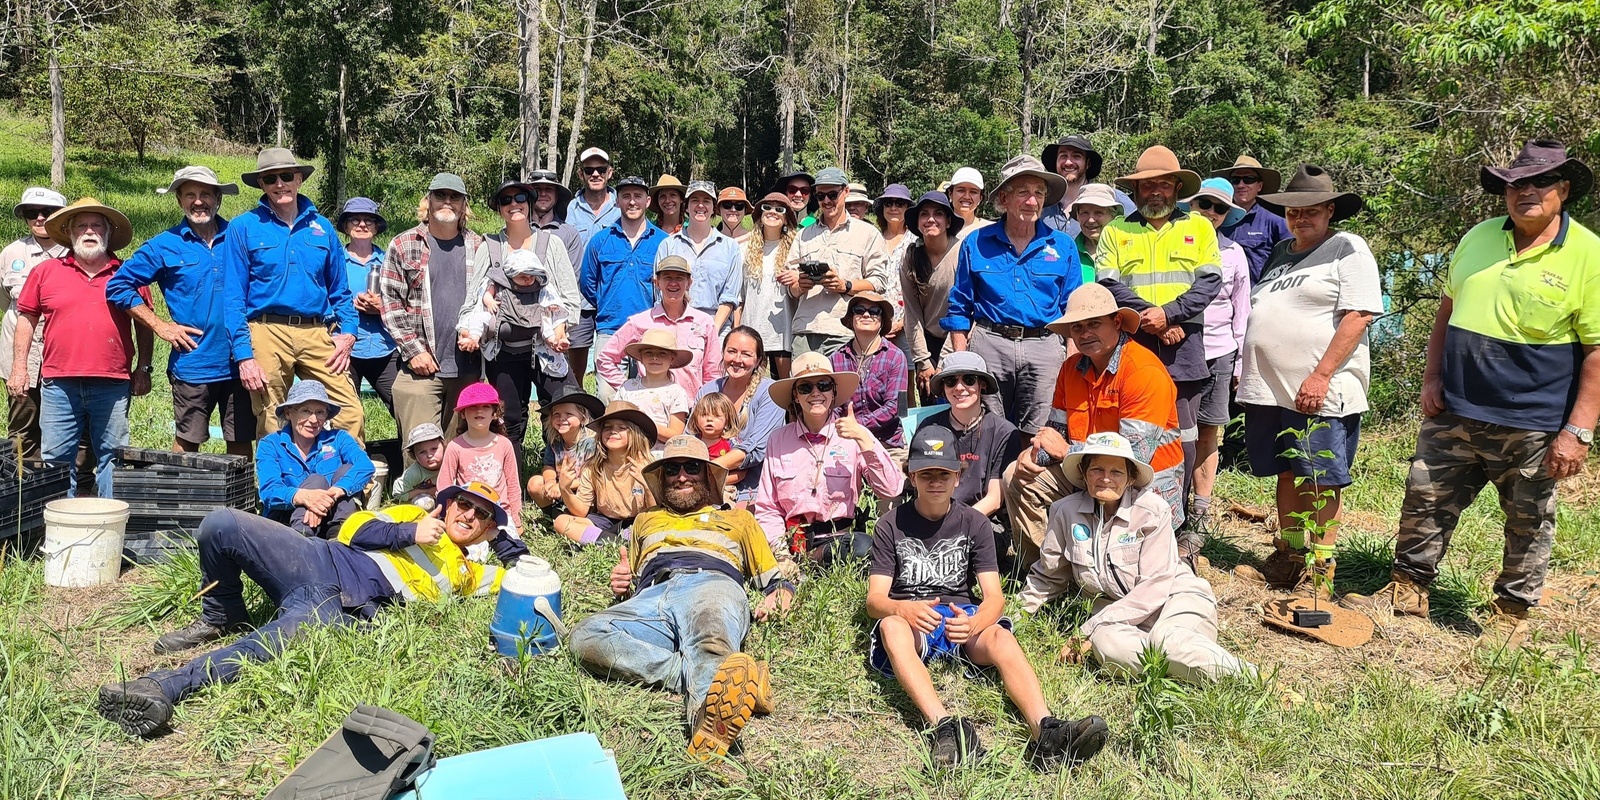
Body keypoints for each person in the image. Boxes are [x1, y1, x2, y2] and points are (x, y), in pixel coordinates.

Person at [1345, 140, 1599, 646]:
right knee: (1425, 500)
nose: (1525, 192)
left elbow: (1596, 351)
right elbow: (1446, 310)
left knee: (1528, 518)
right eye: (1515, 183)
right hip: (1454, 407)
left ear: (1563, 189)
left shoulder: (1589, 256)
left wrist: (1579, 430)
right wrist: (1431, 378)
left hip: (1532, 419)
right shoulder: (1479, 237)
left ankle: (1512, 613)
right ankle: (1409, 588)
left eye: (1540, 182)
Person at [95, 482, 525, 737]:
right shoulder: (414, 513)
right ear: (449, 503)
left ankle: (162, 687)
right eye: (464, 504)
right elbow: (356, 527)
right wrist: (411, 530)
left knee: (276, 641)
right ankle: (221, 613)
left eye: (481, 514)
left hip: (339, 602)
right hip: (318, 557)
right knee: (222, 524)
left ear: (486, 527)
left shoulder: (468, 573)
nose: (467, 515)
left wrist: (504, 540)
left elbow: (522, 573)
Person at [868, 424, 1110, 769]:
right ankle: (945, 728)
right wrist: (901, 608)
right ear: (911, 477)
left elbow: (994, 597)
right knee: (891, 626)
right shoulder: (890, 524)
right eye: (925, 474)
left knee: (999, 634)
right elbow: (875, 600)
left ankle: (1047, 730)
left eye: (944, 474)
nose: (935, 482)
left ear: (957, 477)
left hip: (961, 615)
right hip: (913, 621)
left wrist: (975, 622)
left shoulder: (975, 523)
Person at [569, 436, 794, 759]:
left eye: (691, 468)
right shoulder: (645, 520)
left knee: (710, 643)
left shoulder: (738, 520)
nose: (682, 476)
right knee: (585, 636)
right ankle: (703, 677)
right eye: (672, 469)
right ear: (662, 479)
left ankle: (706, 718)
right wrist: (622, 583)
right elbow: (631, 577)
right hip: (651, 594)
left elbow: (776, 579)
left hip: (711, 583)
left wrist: (779, 597)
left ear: (707, 476)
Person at [1230, 165, 1382, 599]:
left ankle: (1320, 565)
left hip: (1319, 391)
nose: (1301, 218)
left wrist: (1320, 375)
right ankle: (1290, 554)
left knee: (1320, 476)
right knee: (1286, 471)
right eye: (1294, 212)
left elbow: (1360, 315)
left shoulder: (1347, 248)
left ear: (1330, 210)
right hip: (1273, 390)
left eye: (1311, 211)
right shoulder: (1281, 252)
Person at [1020, 432, 1254, 684]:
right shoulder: (1064, 511)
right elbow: (1048, 575)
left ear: (1131, 478)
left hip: (1174, 600)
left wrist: (1086, 630)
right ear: (1083, 472)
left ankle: (1248, 678)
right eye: (1096, 469)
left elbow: (1154, 587)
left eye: (1117, 472)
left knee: (1168, 640)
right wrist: (1017, 617)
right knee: (1106, 645)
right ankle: (1183, 670)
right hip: (1116, 616)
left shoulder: (1152, 510)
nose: (1106, 478)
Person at [1004, 284, 1184, 571]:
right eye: (1077, 327)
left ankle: (1097, 571)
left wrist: (1065, 452)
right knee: (1017, 474)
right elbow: (1055, 432)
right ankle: (1043, 573)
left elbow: (1134, 459)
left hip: (1141, 485)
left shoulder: (1143, 371)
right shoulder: (1071, 368)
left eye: (1094, 324)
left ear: (1115, 322)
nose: (1085, 333)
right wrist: (1034, 452)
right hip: (1087, 470)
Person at [1097, 145, 1223, 557]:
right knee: (1131, 432)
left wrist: (1169, 316)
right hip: (1132, 343)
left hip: (1183, 344)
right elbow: (1108, 285)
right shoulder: (1117, 230)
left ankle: (1178, 523)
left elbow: (1208, 284)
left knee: (1181, 437)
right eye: (1147, 184)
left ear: (1175, 187)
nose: (1155, 191)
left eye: (1163, 184)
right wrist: (1148, 318)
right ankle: (1126, 520)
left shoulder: (1201, 228)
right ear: (1136, 189)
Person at [107, 167, 255, 458]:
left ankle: (241, 502)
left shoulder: (240, 237)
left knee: (240, 441)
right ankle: (183, 499)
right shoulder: (164, 245)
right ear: (179, 201)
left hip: (242, 360)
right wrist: (161, 325)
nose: (198, 202)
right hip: (193, 363)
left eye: (205, 194)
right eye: (190, 195)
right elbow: (118, 286)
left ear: (218, 199)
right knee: (188, 441)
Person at [10, 198, 153, 498]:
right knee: (58, 461)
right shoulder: (46, 272)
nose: (89, 231)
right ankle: (62, 534)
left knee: (113, 459)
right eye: (82, 226)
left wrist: (144, 368)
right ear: (71, 233)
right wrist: (19, 368)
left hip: (113, 384)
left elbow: (145, 324)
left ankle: (110, 529)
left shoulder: (128, 274)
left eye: (96, 225)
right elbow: (26, 320)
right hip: (59, 384)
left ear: (108, 233)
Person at [223, 148, 364, 440]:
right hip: (265, 330)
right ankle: (278, 485)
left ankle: (348, 484)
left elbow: (340, 290)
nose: (279, 184)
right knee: (272, 415)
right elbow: (234, 296)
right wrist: (244, 356)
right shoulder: (243, 227)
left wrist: (348, 333)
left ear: (299, 179)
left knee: (349, 410)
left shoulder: (322, 228)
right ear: (261, 184)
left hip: (316, 330)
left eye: (286, 176)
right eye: (270, 178)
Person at [942, 154, 1082, 435]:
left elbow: (1074, 309)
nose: (1032, 201)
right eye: (1023, 193)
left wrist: (1071, 357)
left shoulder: (1063, 245)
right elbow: (959, 306)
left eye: (1039, 193)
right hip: (989, 344)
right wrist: (962, 362)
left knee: (1042, 432)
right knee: (985, 428)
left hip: (1044, 345)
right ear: (1004, 199)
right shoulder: (976, 242)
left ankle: (1029, 480)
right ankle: (989, 480)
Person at [462, 177, 583, 457]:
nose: (513, 205)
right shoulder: (489, 246)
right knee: (510, 420)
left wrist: (560, 331)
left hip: (545, 347)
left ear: (529, 204)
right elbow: (472, 299)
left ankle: (568, 475)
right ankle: (513, 491)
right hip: (503, 351)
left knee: (570, 406)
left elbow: (568, 297)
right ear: (498, 208)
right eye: (506, 200)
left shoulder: (551, 244)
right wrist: (469, 330)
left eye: (519, 199)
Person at [754, 352, 905, 566]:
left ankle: (813, 563)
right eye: (806, 388)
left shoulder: (854, 435)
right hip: (791, 542)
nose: (816, 393)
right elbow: (768, 506)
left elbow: (892, 489)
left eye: (823, 385)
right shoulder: (778, 439)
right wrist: (781, 554)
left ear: (834, 391)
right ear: (796, 395)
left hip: (840, 542)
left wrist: (863, 438)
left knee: (865, 548)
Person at [380, 173, 485, 462]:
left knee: (459, 453)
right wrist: (414, 351)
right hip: (421, 368)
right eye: (440, 196)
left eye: (455, 197)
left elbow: (490, 300)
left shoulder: (481, 246)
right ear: (428, 201)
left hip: (470, 369)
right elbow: (390, 304)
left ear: (464, 205)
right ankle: (416, 502)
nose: (447, 202)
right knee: (422, 452)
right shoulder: (403, 244)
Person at [1178, 178, 1250, 539]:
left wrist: (1239, 363)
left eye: (1219, 208)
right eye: (1204, 203)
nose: (1210, 212)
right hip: (1177, 350)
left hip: (1219, 352)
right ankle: (1171, 506)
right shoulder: (1175, 246)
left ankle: (1200, 510)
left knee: (1209, 431)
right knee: (1173, 432)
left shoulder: (1235, 254)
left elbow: (1242, 310)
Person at [581, 176, 667, 401]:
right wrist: (608, 304)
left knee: (650, 398)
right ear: (617, 201)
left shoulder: (664, 242)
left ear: (647, 201)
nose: (632, 201)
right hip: (610, 330)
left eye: (637, 196)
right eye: (626, 196)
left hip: (651, 331)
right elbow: (588, 284)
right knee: (609, 398)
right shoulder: (600, 240)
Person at [788, 167, 890, 357]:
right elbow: (791, 289)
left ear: (846, 192)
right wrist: (800, 285)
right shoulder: (803, 235)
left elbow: (879, 281)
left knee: (842, 386)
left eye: (833, 195)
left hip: (845, 329)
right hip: (806, 329)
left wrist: (845, 285)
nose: (826, 201)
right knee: (803, 385)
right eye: (821, 196)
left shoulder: (867, 233)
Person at [255, 380, 376, 538]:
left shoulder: (339, 438)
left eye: (320, 412)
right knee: (316, 481)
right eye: (305, 411)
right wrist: (306, 497)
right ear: (288, 413)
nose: (314, 420)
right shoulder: (270, 444)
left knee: (346, 471)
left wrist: (334, 492)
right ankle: (301, 540)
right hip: (286, 522)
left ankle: (340, 536)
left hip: (331, 516)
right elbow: (269, 491)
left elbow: (366, 466)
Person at [597, 255, 722, 400]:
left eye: (679, 278)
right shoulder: (640, 322)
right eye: (667, 278)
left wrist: (706, 402)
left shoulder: (704, 322)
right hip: (650, 409)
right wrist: (630, 390)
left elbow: (713, 371)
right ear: (657, 282)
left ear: (689, 283)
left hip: (692, 408)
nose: (673, 283)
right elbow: (605, 358)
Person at [1, 187, 66, 459]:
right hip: (21, 358)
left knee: (64, 430)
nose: (39, 218)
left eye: (48, 212)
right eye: (31, 213)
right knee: (22, 428)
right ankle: (21, 494)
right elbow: (7, 302)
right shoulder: (10, 253)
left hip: (62, 358)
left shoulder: (78, 253)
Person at [920, 351, 1023, 518]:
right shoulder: (929, 427)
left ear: (981, 384)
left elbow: (995, 499)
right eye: (951, 381)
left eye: (968, 380)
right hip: (933, 517)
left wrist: (958, 522)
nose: (959, 388)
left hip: (982, 519)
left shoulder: (1004, 432)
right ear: (944, 388)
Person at [697, 326, 786, 505]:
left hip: (753, 489)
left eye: (746, 354)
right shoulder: (707, 391)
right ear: (722, 353)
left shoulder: (770, 392)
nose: (737, 360)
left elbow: (756, 450)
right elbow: (690, 438)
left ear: (758, 360)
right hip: (700, 484)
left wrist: (703, 474)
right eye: (731, 351)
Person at [330, 197, 399, 424]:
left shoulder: (390, 260)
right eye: (355, 220)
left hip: (384, 347)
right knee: (345, 415)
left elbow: (406, 301)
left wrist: (381, 308)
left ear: (377, 227)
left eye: (368, 220)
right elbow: (321, 300)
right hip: (344, 348)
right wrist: (350, 308)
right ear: (346, 226)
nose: (362, 224)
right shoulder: (333, 260)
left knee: (403, 407)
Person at [553, 400, 656, 544]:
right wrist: (565, 489)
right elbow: (581, 511)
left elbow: (654, 513)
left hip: (638, 520)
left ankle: (600, 540)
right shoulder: (593, 466)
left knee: (653, 526)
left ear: (635, 433)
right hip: (604, 520)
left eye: (622, 427)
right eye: (608, 427)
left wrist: (647, 485)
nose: (613, 431)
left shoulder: (647, 465)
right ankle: (619, 542)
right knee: (561, 522)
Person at [899, 191, 964, 399]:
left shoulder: (962, 251)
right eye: (924, 214)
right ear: (917, 223)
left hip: (960, 337)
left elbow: (965, 307)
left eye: (938, 214)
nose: (931, 219)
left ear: (947, 221)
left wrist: (945, 359)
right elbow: (912, 312)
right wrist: (923, 360)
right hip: (927, 341)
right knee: (930, 406)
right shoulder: (911, 257)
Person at [655, 181, 743, 331]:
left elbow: (729, 296)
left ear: (713, 208)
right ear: (687, 206)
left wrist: (713, 329)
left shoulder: (730, 247)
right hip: (675, 324)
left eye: (706, 201)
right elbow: (659, 292)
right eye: (695, 200)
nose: (700, 206)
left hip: (717, 327)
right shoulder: (668, 245)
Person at [438, 382, 522, 537]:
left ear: (495, 413)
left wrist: (516, 521)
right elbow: (444, 486)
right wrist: (444, 517)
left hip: (501, 514)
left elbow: (513, 485)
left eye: (486, 407)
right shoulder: (455, 447)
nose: (479, 411)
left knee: (511, 550)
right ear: (463, 413)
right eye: (472, 407)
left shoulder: (504, 444)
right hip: (469, 514)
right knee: (474, 553)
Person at [566, 147, 622, 380]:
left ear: (610, 173)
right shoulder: (569, 208)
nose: (595, 174)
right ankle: (578, 410)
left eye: (601, 169)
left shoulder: (622, 205)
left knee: (611, 365)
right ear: (581, 174)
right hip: (580, 300)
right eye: (590, 170)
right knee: (575, 368)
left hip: (613, 298)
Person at [829, 291, 907, 451]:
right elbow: (833, 405)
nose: (866, 314)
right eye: (859, 310)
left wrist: (856, 425)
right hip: (846, 443)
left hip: (887, 443)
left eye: (874, 311)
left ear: (882, 320)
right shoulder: (835, 359)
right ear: (851, 318)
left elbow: (894, 406)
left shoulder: (896, 357)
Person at [741, 192, 799, 378]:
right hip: (751, 331)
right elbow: (739, 298)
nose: (772, 212)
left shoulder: (795, 250)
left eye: (779, 209)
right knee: (751, 391)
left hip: (783, 335)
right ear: (759, 215)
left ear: (786, 219)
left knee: (785, 392)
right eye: (767, 207)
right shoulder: (745, 250)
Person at [1213, 155, 1291, 284]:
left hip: (1259, 296)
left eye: (1248, 179)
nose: (1241, 185)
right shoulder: (1217, 216)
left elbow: (1290, 257)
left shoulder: (1275, 218)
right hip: (1222, 299)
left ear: (1259, 186)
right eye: (1235, 180)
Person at [1040, 135, 1134, 237]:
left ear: (1088, 163)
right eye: (1063, 156)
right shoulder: (1041, 202)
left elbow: (1140, 230)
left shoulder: (1113, 197)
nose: (1068, 162)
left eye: (1076, 156)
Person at [615, 327, 694, 446]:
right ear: (641, 358)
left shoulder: (676, 392)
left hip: (658, 456)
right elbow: (614, 417)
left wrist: (644, 422)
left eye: (662, 353)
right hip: (627, 451)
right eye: (649, 353)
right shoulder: (628, 387)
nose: (655, 357)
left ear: (672, 359)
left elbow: (676, 434)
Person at [526, 389, 603, 510]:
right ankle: (553, 514)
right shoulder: (555, 442)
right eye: (556, 414)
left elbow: (592, 477)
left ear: (583, 418)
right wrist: (550, 481)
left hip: (585, 491)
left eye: (569, 414)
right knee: (535, 483)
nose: (562, 418)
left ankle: (575, 516)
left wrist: (563, 486)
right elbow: (548, 465)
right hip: (561, 487)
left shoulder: (590, 443)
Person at [873, 184, 914, 346]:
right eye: (888, 203)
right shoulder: (873, 238)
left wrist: (902, 322)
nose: (893, 208)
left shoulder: (917, 241)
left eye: (900, 203)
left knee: (908, 370)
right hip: (873, 320)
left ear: (908, 208)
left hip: (908, 323)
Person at [690, 391, 745, 498]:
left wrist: (713, 482)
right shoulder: (692, 443)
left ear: (727, 420)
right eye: (704, 415)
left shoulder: (731, 444)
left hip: (723, 488)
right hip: (693, 486)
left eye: (716, 416)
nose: (709, 419)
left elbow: (741, 473)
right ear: (696, 419)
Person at [1067, 183, 1123, 280]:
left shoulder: (1126, 249)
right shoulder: (1069, 252)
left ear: (1113, 216)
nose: (1091, 220)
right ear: (1077, 216)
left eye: (1099, 213)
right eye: (1085, 213)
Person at [392, 422, 447, 508]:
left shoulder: (450, 463)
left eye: (434, 449)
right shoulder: (413, 473)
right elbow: (398, 494)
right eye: (422, 452)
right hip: (422, 499)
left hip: (443, 497)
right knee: (424, 503)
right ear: (414, 456)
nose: (429, 455)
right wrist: (427, 491)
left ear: (444, 446)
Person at [947, 167, 989, 235]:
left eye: (973, 192)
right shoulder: (940, 228)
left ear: (980, 198)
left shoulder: (989, 229)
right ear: (950, 194)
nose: (967, 197)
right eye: (961, 190)